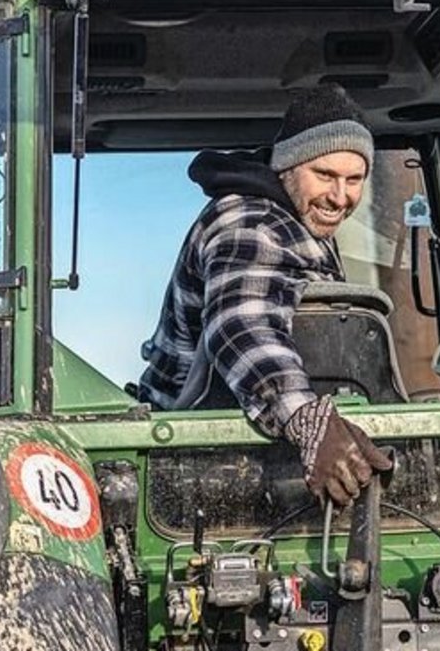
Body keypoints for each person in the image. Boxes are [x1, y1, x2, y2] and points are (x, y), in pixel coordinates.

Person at [136, 83, 392, 507]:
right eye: (325, 175)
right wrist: (308, 422)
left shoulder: (298, 220)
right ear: (288, 167)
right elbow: (242, 322)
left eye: (354, 179)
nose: (340, 195)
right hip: (187, 462)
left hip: (247, 456)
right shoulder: (251, 223)